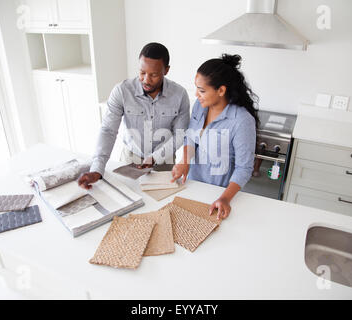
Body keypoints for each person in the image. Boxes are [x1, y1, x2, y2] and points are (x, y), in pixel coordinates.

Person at [78, 42, 190, 189]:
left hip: (164, 161)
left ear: (166, 70)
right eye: (142, 72)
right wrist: (97, 169)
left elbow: (180, 135)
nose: (146, 80)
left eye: (154, 75)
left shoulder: (179, 95)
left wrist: (154, 157)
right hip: (130, 159)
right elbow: (108, 130)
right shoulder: (122, 91)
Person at [171, 54, 259, 220]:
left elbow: (244, 168)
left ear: (221, 90)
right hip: (192, 186)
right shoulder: (200, 105)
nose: (196, 94)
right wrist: (185, 161)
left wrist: (224, 198)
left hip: (218, 195)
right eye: (196, 88)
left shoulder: (241, 121)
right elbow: (191, 137)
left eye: (202, 90)